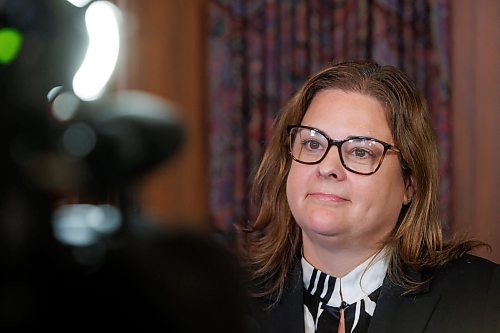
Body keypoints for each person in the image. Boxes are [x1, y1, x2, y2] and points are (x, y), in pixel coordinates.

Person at [243, 60, 500, 333]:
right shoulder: (222, 304)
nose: (327, 167)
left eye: (361, 151)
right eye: (312, 143)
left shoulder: (485, 298)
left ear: (409, 183)